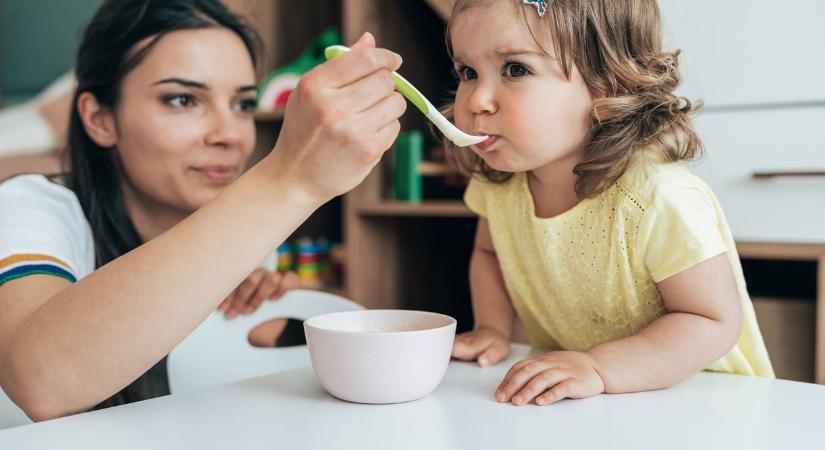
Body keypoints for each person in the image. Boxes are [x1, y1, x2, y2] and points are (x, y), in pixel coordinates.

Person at [0, 0, 405, 420]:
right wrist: (288, 179)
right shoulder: (31, 207)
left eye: (243, 104)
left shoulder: (234, 226)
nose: (229, 134)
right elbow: (44, 381)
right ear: (99, 118)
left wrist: (253, 326)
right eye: (182, 100)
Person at [446, 0, 774, 406]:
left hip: (700, 401)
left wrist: (598, 367)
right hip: (590, 403)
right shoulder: (501, 185)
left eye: (516, 69)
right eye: (467, 72)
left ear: (608, 83)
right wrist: (493, 329)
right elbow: (489, 252)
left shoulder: (659, 198)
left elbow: (711, 321)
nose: (477, 99)